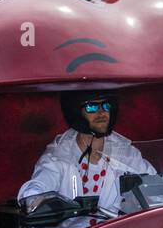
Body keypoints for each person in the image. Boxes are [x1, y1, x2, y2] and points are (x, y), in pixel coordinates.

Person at [18, 91, 155, 217]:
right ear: (76, 112)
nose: (101, 113)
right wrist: (38, 201)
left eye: (106, 106)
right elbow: (35, 191)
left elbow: (157, 186)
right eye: (92, 107)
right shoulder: (58, 157)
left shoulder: (125, 153)